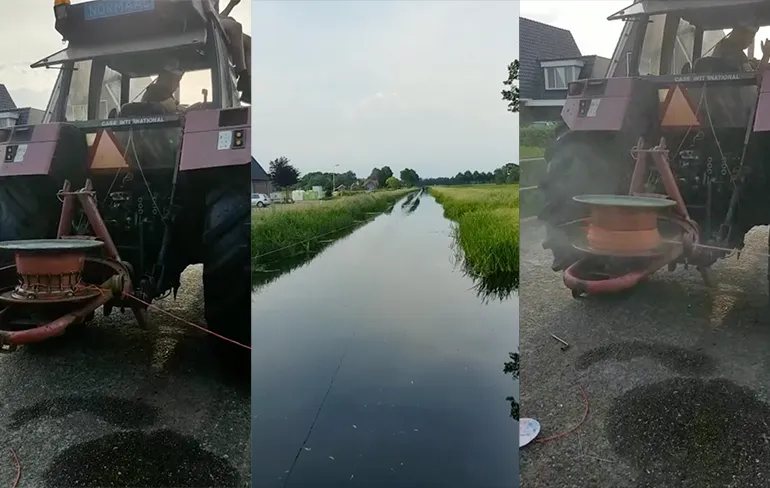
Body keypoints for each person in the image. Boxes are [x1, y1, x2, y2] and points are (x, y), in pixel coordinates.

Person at [211, 0, 251, 103]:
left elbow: (216, 17)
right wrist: (231, 5)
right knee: (235, 27)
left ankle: (248, 85)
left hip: (213, 22)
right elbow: (211, 17)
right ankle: (242, 74)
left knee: (248, 41)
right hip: (204, 24)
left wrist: (231, 6)